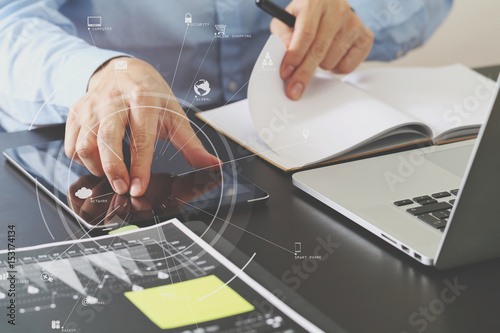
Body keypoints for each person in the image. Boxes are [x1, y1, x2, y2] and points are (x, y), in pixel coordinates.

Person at [0, 0, 452, 197]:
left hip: (298, 141)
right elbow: (10, 19)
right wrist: (95, 74)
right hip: (97, 144)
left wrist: (353, 14)